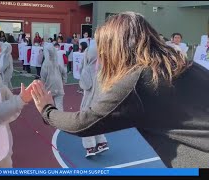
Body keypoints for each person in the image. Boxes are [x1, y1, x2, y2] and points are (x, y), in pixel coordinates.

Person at [30, 11, 209, 168]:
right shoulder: (184, 64)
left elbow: (83, 123)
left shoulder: (138, 82)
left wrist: (47, 111)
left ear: (114, 48)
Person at [79, 40, 109, 157]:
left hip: (89, 101)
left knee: (85, 124)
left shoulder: (88, 69)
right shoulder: (105, 68)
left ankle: (90, 147)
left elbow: (85, 85)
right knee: (97, 122)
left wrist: (83, 72)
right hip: (101, 101)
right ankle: (102, 142)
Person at [40, 43, 67, 111]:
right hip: (59, 86)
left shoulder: (45, 65)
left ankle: (52, 119)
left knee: (49, 107)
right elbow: (64, 72)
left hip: (49, 87)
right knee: (59, 106)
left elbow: (43, 78)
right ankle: (60, 120)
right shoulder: (57, 63)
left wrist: (42, 89)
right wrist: (64, 81)